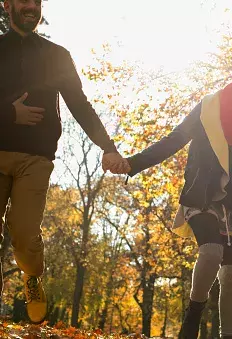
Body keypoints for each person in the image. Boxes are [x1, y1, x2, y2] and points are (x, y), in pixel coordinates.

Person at [109, 55, 232, 338]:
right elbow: (174, 140)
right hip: (203, 194)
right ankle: (194, 312)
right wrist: (133, 163)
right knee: (210, 252)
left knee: (231, 275)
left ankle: (229, 335)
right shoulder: (210, 108)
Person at [0, 0, 124, 323]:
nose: (31, 6)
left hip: (36, 158)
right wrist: (10, 113)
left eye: (36, 1)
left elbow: (80, 105)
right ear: (7, 4)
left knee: (25, 232)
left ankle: (32, 275)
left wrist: (108, 146)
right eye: (23, 0)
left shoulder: (57, 56)